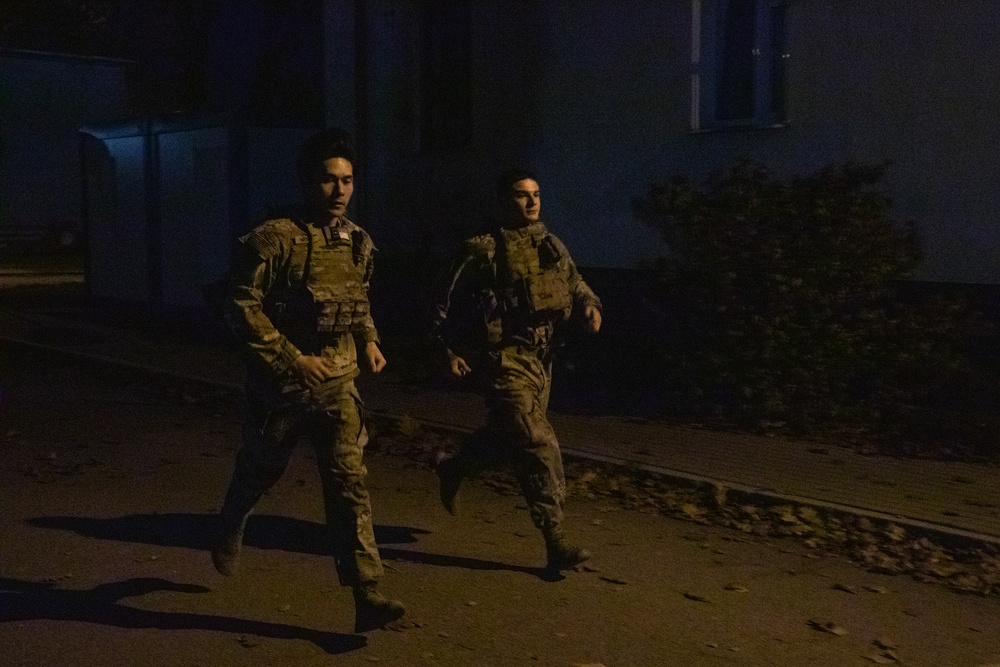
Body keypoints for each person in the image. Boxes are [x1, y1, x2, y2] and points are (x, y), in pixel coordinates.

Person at [211, 128, 405, 634]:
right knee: (262, 468)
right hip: (282, 384)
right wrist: (291, 358)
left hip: (338, 380)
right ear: (307, 182)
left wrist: (369, 340)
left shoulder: (359, 242)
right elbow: (239, 305)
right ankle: (232, 519)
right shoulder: (274, 239)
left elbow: (357, 299)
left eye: (347, 181)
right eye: (328, 180)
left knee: (348, 483)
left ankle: (368, 593)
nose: (339, 190)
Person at [429, 168, 603, 574]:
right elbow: (440, 302)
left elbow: (575, 282)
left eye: (537, 194)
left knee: (510, 439)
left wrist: (590, 306)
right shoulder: (481, 250)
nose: (532, 202)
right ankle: (555, 538)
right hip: (504, 360)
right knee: (536, 439)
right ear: (503, 201)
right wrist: (446, 350)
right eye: (522, 195)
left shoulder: (549, 243)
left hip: (543, 361)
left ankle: (456, 466)